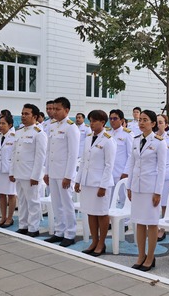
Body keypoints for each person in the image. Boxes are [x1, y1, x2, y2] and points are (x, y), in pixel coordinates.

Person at [126, 110, 166, 271]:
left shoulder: (159, 142)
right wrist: (129, 186)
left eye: (145, 120)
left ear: (153, 124)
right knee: (139, 223)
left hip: (151, 189)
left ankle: (150, 256)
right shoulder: (136, 140)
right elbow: (131, 164)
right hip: (137, 187)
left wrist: (158, 192)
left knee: (151, 223)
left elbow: (162, 169)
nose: (141, 123)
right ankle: (141, 255)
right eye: (140, 120)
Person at [75, 110, 117, 256]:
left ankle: (101, 243)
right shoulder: (88, 138)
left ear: (103, 122)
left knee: (102, 214)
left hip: (100, 183)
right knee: (90, 213)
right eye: (90, 121)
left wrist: (103, 186)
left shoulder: (108, 140)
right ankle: (94, 241)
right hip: (87, 182)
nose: (91, 124)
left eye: (94, 121)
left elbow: (109, 165)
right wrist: (78, 180)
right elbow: (83, 161)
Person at [44, 97, 80, 247]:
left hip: (64, 173)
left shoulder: (71, 128)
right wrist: (46, 172)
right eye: (53, 109)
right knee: (56, 203)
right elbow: (48, 150)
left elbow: (73, 154)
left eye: (58, 109)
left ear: (66, 110)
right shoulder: (52, 126)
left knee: (67, 204)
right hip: (53, 172)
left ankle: (70, 233)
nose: (55, 112)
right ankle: (59, 231)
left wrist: (68, 176)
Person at [9, 104, 47, 237]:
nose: (23, 116)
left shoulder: (39, 133)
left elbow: (40, 156)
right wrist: (12, 172)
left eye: (26, 114)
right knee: (22, 201)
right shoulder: (19, 132)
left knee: (33, 201)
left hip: (31, 173)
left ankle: (33, 228)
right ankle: (23, 225)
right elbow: (14, 154)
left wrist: (36, 176)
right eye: (22, 113)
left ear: (35, 117)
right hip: (19, 172)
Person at [0, 113, 17, 227]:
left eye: (3, 123)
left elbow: (15, 156)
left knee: (11, 194)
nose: (1, 126)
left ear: (10, 125)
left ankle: (10, 218)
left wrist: (13, 172)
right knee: (1, 194)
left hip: (9, 172)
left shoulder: (14, 137)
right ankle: (3, 217)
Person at [108, 109, 133, 189]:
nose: (112, 121)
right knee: (109, 199)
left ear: (122, 120)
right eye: (110, 119)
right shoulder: (107, 134)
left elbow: (131, 155)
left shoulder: (127, 134)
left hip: (121, 172)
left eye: (115, 118)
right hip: (109, 172)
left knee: (123, 199)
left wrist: (126, 171)